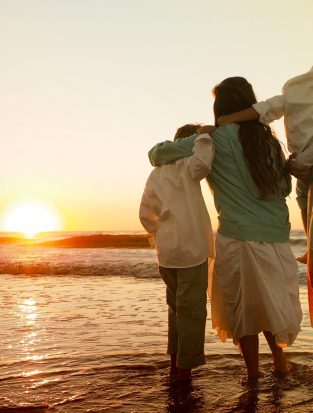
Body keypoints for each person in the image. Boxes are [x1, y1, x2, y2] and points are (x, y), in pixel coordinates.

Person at [148, 77, 302, 381]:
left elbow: (156, 154)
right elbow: (284, 187)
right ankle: (280, 361)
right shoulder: (268, 141)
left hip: (237, 236)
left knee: (244, 309)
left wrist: (201, 135)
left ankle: (254, 375)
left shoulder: (213, 138)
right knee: (269, 303)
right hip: (275, 237)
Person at [139, 124, 215, 381]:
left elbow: (145, 214)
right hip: (191, 251)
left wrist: (160, 236)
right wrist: (204, 136)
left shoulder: (156, 174)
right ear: (187, 145)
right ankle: (185, 372)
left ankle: (175, 363)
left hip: (168, 254)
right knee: (192, 311)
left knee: (175, 310)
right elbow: (204, 164)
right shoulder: (186, 166)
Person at [217, 67, 313, 264]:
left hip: (302, 162)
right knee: (302, 194)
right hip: (304, 163)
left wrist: (226, 119)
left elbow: (265, 108)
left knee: (303, 196)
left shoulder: (295, 86)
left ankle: (310, 247)